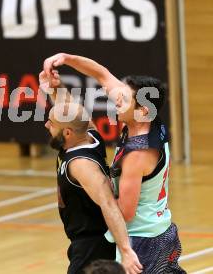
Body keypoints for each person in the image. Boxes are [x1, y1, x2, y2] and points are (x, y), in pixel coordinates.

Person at [43, 53, 186, 273]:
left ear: (143, 111)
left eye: (125, 99)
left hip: (143, 238)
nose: (117, 100)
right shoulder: (144, 118)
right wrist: (66, 58)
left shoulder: (137, 155)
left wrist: (100, 187)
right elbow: (101, 73)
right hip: (159, 227)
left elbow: (124, 212)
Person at [39, 71, 142, 274]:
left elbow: (109, 204)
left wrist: (126, 250)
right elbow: (72, 111)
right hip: (86, 241)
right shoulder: (88, 134)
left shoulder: (81, 165)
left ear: (67, 132)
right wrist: (55, 87)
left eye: (51, 123)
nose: (46, 125)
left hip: (93, 244)